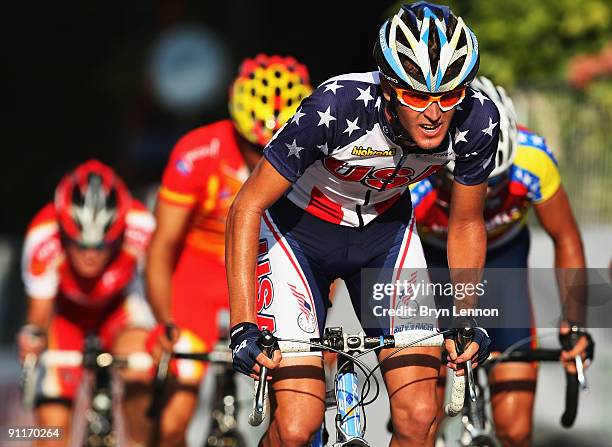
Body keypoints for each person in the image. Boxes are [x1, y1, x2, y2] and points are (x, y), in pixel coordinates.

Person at [226, 3, 499, 446]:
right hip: (297, 238)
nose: (434, 112)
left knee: (419, 416)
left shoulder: (477, 121)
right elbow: (246, 207)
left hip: (385, 238)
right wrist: (242, 325)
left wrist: (465, 318)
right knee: (297, 426)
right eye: (416, 95)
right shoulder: (336, 107)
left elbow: (466, 223)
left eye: (449, 95)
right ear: (390, 89)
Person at [411, 76, 594, 446]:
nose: (484, 193)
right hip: (433, 266)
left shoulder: (533, 157)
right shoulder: (418, 176)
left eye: (495, 184)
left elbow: (566, 238)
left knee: (515, 429)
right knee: (419, 420)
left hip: (502, 264)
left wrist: (573, 325)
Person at [145, 53, 313, 446]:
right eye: (253, 148)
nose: (264, 158)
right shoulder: (196, 151)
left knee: (292, 411)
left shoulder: (312, 151)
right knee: (173, 419)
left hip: (270, 276)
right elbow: (161, 246)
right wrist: (163, 319)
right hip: (196, 284)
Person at [18, 159, 156, 446]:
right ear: (63, 232)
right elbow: (39, 315)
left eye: (103, 245)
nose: (90, 255)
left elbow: (155, 295)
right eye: (79, 244)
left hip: (119, 312)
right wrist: (32, 339)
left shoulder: (143, 227)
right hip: (66, 317)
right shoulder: (42, 236)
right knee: (50, 432)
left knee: (142, 375)